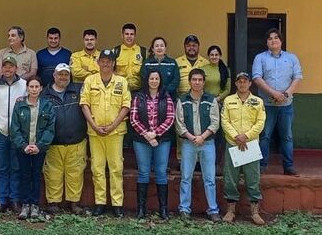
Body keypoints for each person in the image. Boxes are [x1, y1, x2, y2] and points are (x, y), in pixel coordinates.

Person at [80, 49, 131, 217]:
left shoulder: (122, 81)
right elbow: (84, 104)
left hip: (115, 133)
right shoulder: (89, 80)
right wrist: (94, 125)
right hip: (95, 133)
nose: (106, 63)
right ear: (98, 62)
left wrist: (113, 126)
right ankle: (100, 203)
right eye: (103, 60)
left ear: (113, 63)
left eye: (109, 61)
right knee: (97, 168)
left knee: (116, 168)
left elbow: (126, 106)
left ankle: (117, 204)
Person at [252, 28, 303, 176]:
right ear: (266, 42)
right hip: (266, 105)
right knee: (264, 136)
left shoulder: (292, 58)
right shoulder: (260, 58)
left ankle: (288, 166)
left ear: (281, 41)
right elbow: (256, 78)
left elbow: (297, 77)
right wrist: (273, 93)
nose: (273, 40)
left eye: (276, 38)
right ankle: (261, 166)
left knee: (286, 136)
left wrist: (286, 94)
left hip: (286, 105)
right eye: (270, 38)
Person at [175, 68, 221, 221]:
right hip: (188, 144)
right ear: (189, 81)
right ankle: (184, 209)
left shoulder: (211, 99)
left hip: (207, 143)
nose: (197, 82)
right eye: (194, 80)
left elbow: (215, 123)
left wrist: (202, 137)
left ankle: (213, 210)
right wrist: (191, 137)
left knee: (209, 178)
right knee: (186, 177)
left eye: (200, 80)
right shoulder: (182, 100)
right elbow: (179, 124)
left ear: (204, 82)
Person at [221, 72, 266, 225]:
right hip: (233, 144)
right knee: (230, 179)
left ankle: (254, 212)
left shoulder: (257, 101)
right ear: (235, 84)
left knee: (253, 179)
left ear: (250, 84)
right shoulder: (228, 100)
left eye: (245, 81)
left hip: (250, 145)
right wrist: (236, 137)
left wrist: (246, 136)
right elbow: (225, 122)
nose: (242, 84)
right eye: (239, 81)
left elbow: (260, 123)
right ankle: (230, 211)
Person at [42, 63, 87, 215]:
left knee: (75, 173)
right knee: (53, 173)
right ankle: (53, 203)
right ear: (54, 75)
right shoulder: (44, 94)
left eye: (66, 74)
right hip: (53, 143)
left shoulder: (78, 91)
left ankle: (74, 203)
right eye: (60, 74)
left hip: (76, 141)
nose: (63, 77)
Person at [129, 70, 175, 219]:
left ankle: (163, 210)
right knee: (143, 172)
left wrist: (156, 133)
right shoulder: (138, 97)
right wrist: (147, 135)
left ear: (160, 81)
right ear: (147, 80)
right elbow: (133, 118)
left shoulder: (166, 97)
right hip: (142, 140)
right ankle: (141, 210)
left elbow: (170, 118)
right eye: (151, 78)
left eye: (157, 78)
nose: (154, 81)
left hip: (161, 140)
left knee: (161, 172)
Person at [0, 55, 27, 212]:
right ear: (1, 68)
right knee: (2, 167)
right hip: (0, 131)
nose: (8, 69)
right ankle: (2, 200)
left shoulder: (24, 85)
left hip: (18, 133)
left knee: (16, 167)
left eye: (11, 66)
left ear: (16, 68)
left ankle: (15, 199)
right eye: (5, 66)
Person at [10, 77, 55, 219]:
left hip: (39, 148)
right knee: (24, 175)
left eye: (37, 87)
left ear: (41, 88)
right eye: (31, 87)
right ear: (27, 88)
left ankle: (34, 205)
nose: (34, 89)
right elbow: (14, 128)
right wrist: (23, 145)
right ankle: (25, 205)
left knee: (36, 175)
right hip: (22, 147)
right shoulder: (19, 105)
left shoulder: (47, 105)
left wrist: (39, 146)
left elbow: (50, 128)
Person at [202, 45, 232, 174]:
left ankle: (218, 164)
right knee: (206, 133)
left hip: (219, 104)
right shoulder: (203, 69)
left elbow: (227, 89)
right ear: (208, 56)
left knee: (219, 136)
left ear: (220, 56)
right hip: (205, 104)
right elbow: (199, 85)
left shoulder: (225, 70)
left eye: (216, 54)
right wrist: (209, 100)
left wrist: (218, 99)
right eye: (212, 55)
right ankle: (205, 164)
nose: (214, 57)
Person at [140, 36, 180, 101]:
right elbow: (144, 79)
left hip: (170, 97)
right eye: (156, 46)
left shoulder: (172, 63)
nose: (159, 48)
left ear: (165, 48)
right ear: (152, 49)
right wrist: (155, 92)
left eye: (161, 45)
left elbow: (176, 80)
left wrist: (164, 91)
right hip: (151, 98)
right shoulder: (146, 63)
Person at [112, 23, 146, 92]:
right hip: (120, 89)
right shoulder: (115, 51)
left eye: (132, 34)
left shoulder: (143, 52)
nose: (129, 36)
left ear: (135, 36)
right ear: (122, 35)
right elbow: (110, 71)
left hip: (138, 90)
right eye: (127, 34)